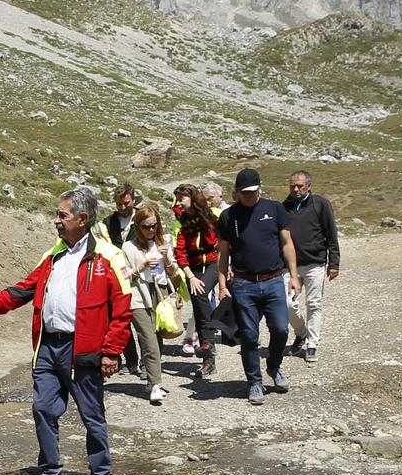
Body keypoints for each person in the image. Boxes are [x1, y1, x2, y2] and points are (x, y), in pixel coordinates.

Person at [0, 186, 132, 475]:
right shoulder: (53, 255)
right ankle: (50, 474)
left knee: (91, 415)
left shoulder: (109, 257)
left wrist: (111, 352)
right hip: (48, 348)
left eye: (62, 215)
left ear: (82, 219)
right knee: (42, 408)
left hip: (83, 351)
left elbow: (122, 310)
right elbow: (22, 290)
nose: (56, 220)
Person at [216, 167, 301, 405]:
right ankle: (254, 381)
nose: (249, 196)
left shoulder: (275, 209)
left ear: (260, 189)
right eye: (244, 193)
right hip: (243, 284)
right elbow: (223, 254)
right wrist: (222, 285)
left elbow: (287, 243)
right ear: (236, 193)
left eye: (253, 192)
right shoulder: (228, 216)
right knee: (250, 337)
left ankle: (274, 367)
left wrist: (294, 276)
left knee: (281, 329)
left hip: (273, 279)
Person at [118, 204, 179, 404]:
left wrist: (166, 260)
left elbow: (174, 273)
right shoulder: (128, 247)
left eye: (154, 225)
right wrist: (141, 266)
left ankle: (151, 378)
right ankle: (155, 385)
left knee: (158, 339)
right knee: (148, 339)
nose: (151, 230)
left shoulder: (163, 243)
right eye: (146, 226)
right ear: (138, 226)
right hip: (137, 296)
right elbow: (122, 275)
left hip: (160, 295)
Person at [281, 169, 339, 361]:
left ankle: (312, 344)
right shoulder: (284, 207)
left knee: (314, 304)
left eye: (299, 186)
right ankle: (302, 332)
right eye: (292, 186)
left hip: (315, 263)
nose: (296, 189)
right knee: (288, 303)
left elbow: (331, 233)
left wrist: (334, 263)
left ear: (309, 186)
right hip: (291, 267)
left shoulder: (320, 204)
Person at [171, 183, 221, 379]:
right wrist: (189, 276)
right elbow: (180, 252)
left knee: (200, 293)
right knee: (199, 305)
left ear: (192, 198)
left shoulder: (212, 215)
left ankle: (208, 342)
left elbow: (225, 240)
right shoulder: (182, 220)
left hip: (213, 262)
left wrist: (229, 264)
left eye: (181, 199)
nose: (178, 203)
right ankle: (208, 359)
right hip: (192, 267)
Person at [99, 184, 142, 376]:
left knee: (143, 322)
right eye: (119, 204)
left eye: (125, 203)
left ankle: (150, 361)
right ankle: (131, 361)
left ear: (133, 200)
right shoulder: (108, 222)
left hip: (142, 276)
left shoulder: (144, 218)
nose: (122, 207)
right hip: (118, 277)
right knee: (121, 321)